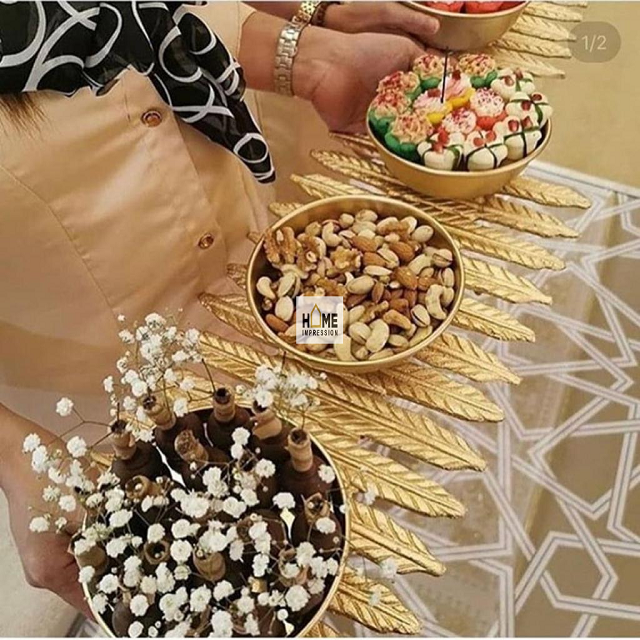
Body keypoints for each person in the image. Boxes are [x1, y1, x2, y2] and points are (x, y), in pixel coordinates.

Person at [0, 0, 438, 623]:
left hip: (260, 274)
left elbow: (158, 18)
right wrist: (12, 454)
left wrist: (313, 58)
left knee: (328, 493)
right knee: (222, 583)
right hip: (111, 385)